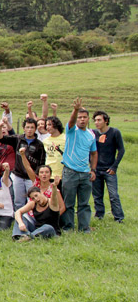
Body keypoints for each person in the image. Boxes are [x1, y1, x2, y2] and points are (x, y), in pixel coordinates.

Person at [61, 98, 98, 232]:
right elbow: (71, 121)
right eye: (80, 117)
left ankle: (84, 227)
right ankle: (68, 227)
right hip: (70, 172)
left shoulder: (91, 134)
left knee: (84, 203)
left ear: (88, 119)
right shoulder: (72, 130)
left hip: (85, 173)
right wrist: (75, 109)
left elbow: (94, 153)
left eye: (85, 117)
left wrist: (93, 170)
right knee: (68, 203)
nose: (82, 119)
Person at [0, 117, 46, 211]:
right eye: (27, 127)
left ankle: (32, 219)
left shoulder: (39, 144)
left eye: (32, 127)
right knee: (18, 201)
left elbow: (42, 162)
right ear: (24, 128)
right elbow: (1, 139)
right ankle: (18, 218)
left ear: (35, 129)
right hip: (18, 175)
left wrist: (37, 176)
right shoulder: (18, 139)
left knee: (32, 199)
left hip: (31, 178)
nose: (29, 130)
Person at [91, 110, 125, 223]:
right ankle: (99, 215)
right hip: (96, 169)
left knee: (113, 195)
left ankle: (119, 217)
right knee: (97, 195)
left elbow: (121, 150)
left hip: (109, 169)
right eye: (95, 120)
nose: (96, 122)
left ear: (106, 121)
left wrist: (114, 167)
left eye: (99, 120)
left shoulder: (115, 132)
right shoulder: (93, 133)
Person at [18, 147, 65, 215]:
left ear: (50, 174)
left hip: (45, 218)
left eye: (46, 172)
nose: (44, 175)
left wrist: (53, 219)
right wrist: (22, 155)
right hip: (31, 215)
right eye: (42, 172)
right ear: (38, 175)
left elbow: (62, 207)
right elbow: (27, 167)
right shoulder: (36, 182)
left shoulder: (54, 189)